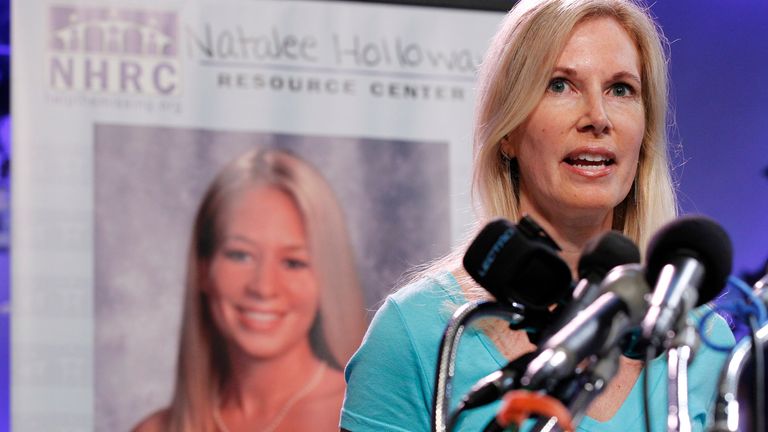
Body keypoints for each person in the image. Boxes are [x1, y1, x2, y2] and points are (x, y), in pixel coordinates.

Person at [340, 1, 734, 431]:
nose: (598, 118)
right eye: (560, 84)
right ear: (507, 131)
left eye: (621, 89)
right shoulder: (415, 334)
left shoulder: (704, 345)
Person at [133, 148, 367, 432]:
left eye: (293, 262)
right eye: (240, 255)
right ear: (204, 269)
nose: (263, 287)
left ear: (327, 279)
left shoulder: (369, 416)